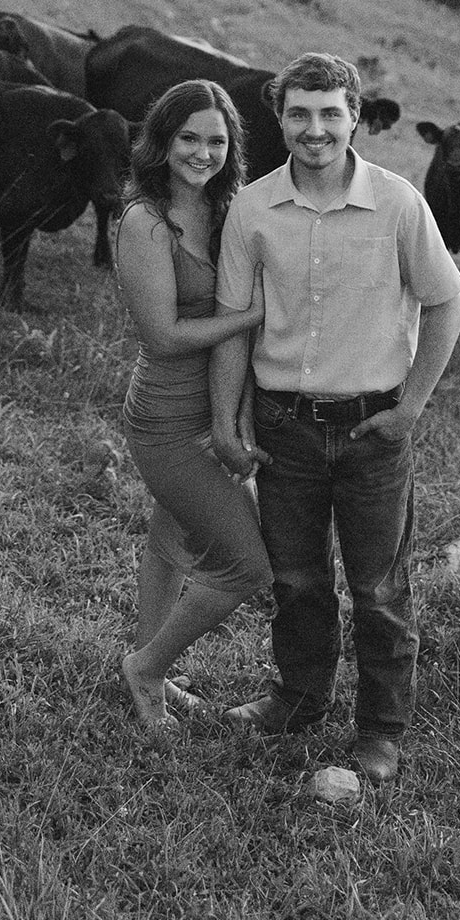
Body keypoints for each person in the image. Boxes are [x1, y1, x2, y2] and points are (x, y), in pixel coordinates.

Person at [209, 52, 460, 784]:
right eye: (299, 114)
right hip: (283, 423)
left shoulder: (396, 202)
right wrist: (228, 424)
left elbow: (446, 302)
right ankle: (297, 698)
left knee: (379, 589)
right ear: (279, 117)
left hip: (371, 429)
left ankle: (380, 731)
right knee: (294, 579)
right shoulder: (253, 209)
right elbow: (233, 325)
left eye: (329, 114)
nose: (314, 129)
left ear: (354, 116)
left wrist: (408, 408)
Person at [116, 79, 271, 731]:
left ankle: (149, 666)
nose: (202, 153)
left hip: (212, 407)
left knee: (169, 542)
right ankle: (146, 669)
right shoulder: (144, 221)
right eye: (188, 138)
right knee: (246, 566)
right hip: (163, 418)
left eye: (215, 140)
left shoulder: (229, 207)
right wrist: (251, 316)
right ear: (162, 140)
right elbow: (163, 334)